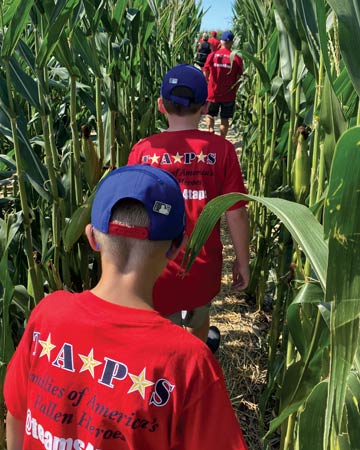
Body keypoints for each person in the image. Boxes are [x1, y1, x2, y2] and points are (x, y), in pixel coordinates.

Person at [4, 164, 249, 450]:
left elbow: (18, 415)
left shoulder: (47, 315)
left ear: (92, 237)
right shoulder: (188, 363)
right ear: (177, 248)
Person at [128, 64, 249, 353]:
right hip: (202, 263)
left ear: (160, 105)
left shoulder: (143, 150)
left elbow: (131, 211)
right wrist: (243, 260)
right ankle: (194, 355)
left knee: (164, 320)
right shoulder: (222, 151)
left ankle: (169, 369)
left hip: (156, 264)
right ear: (206, 107)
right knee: (199, 314)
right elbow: (237, 212)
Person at [204, 31, 243, 138]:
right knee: (224, 119)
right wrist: (235, 89)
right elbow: (239, 77)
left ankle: (210, 130)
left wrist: (207, 81)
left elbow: (206, 71)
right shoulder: (236, 58)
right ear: (231, 42)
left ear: (221, 41)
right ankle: (222, 139)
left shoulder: (212, 55)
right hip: (228, 94)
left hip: (213, 92)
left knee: (210, 114)